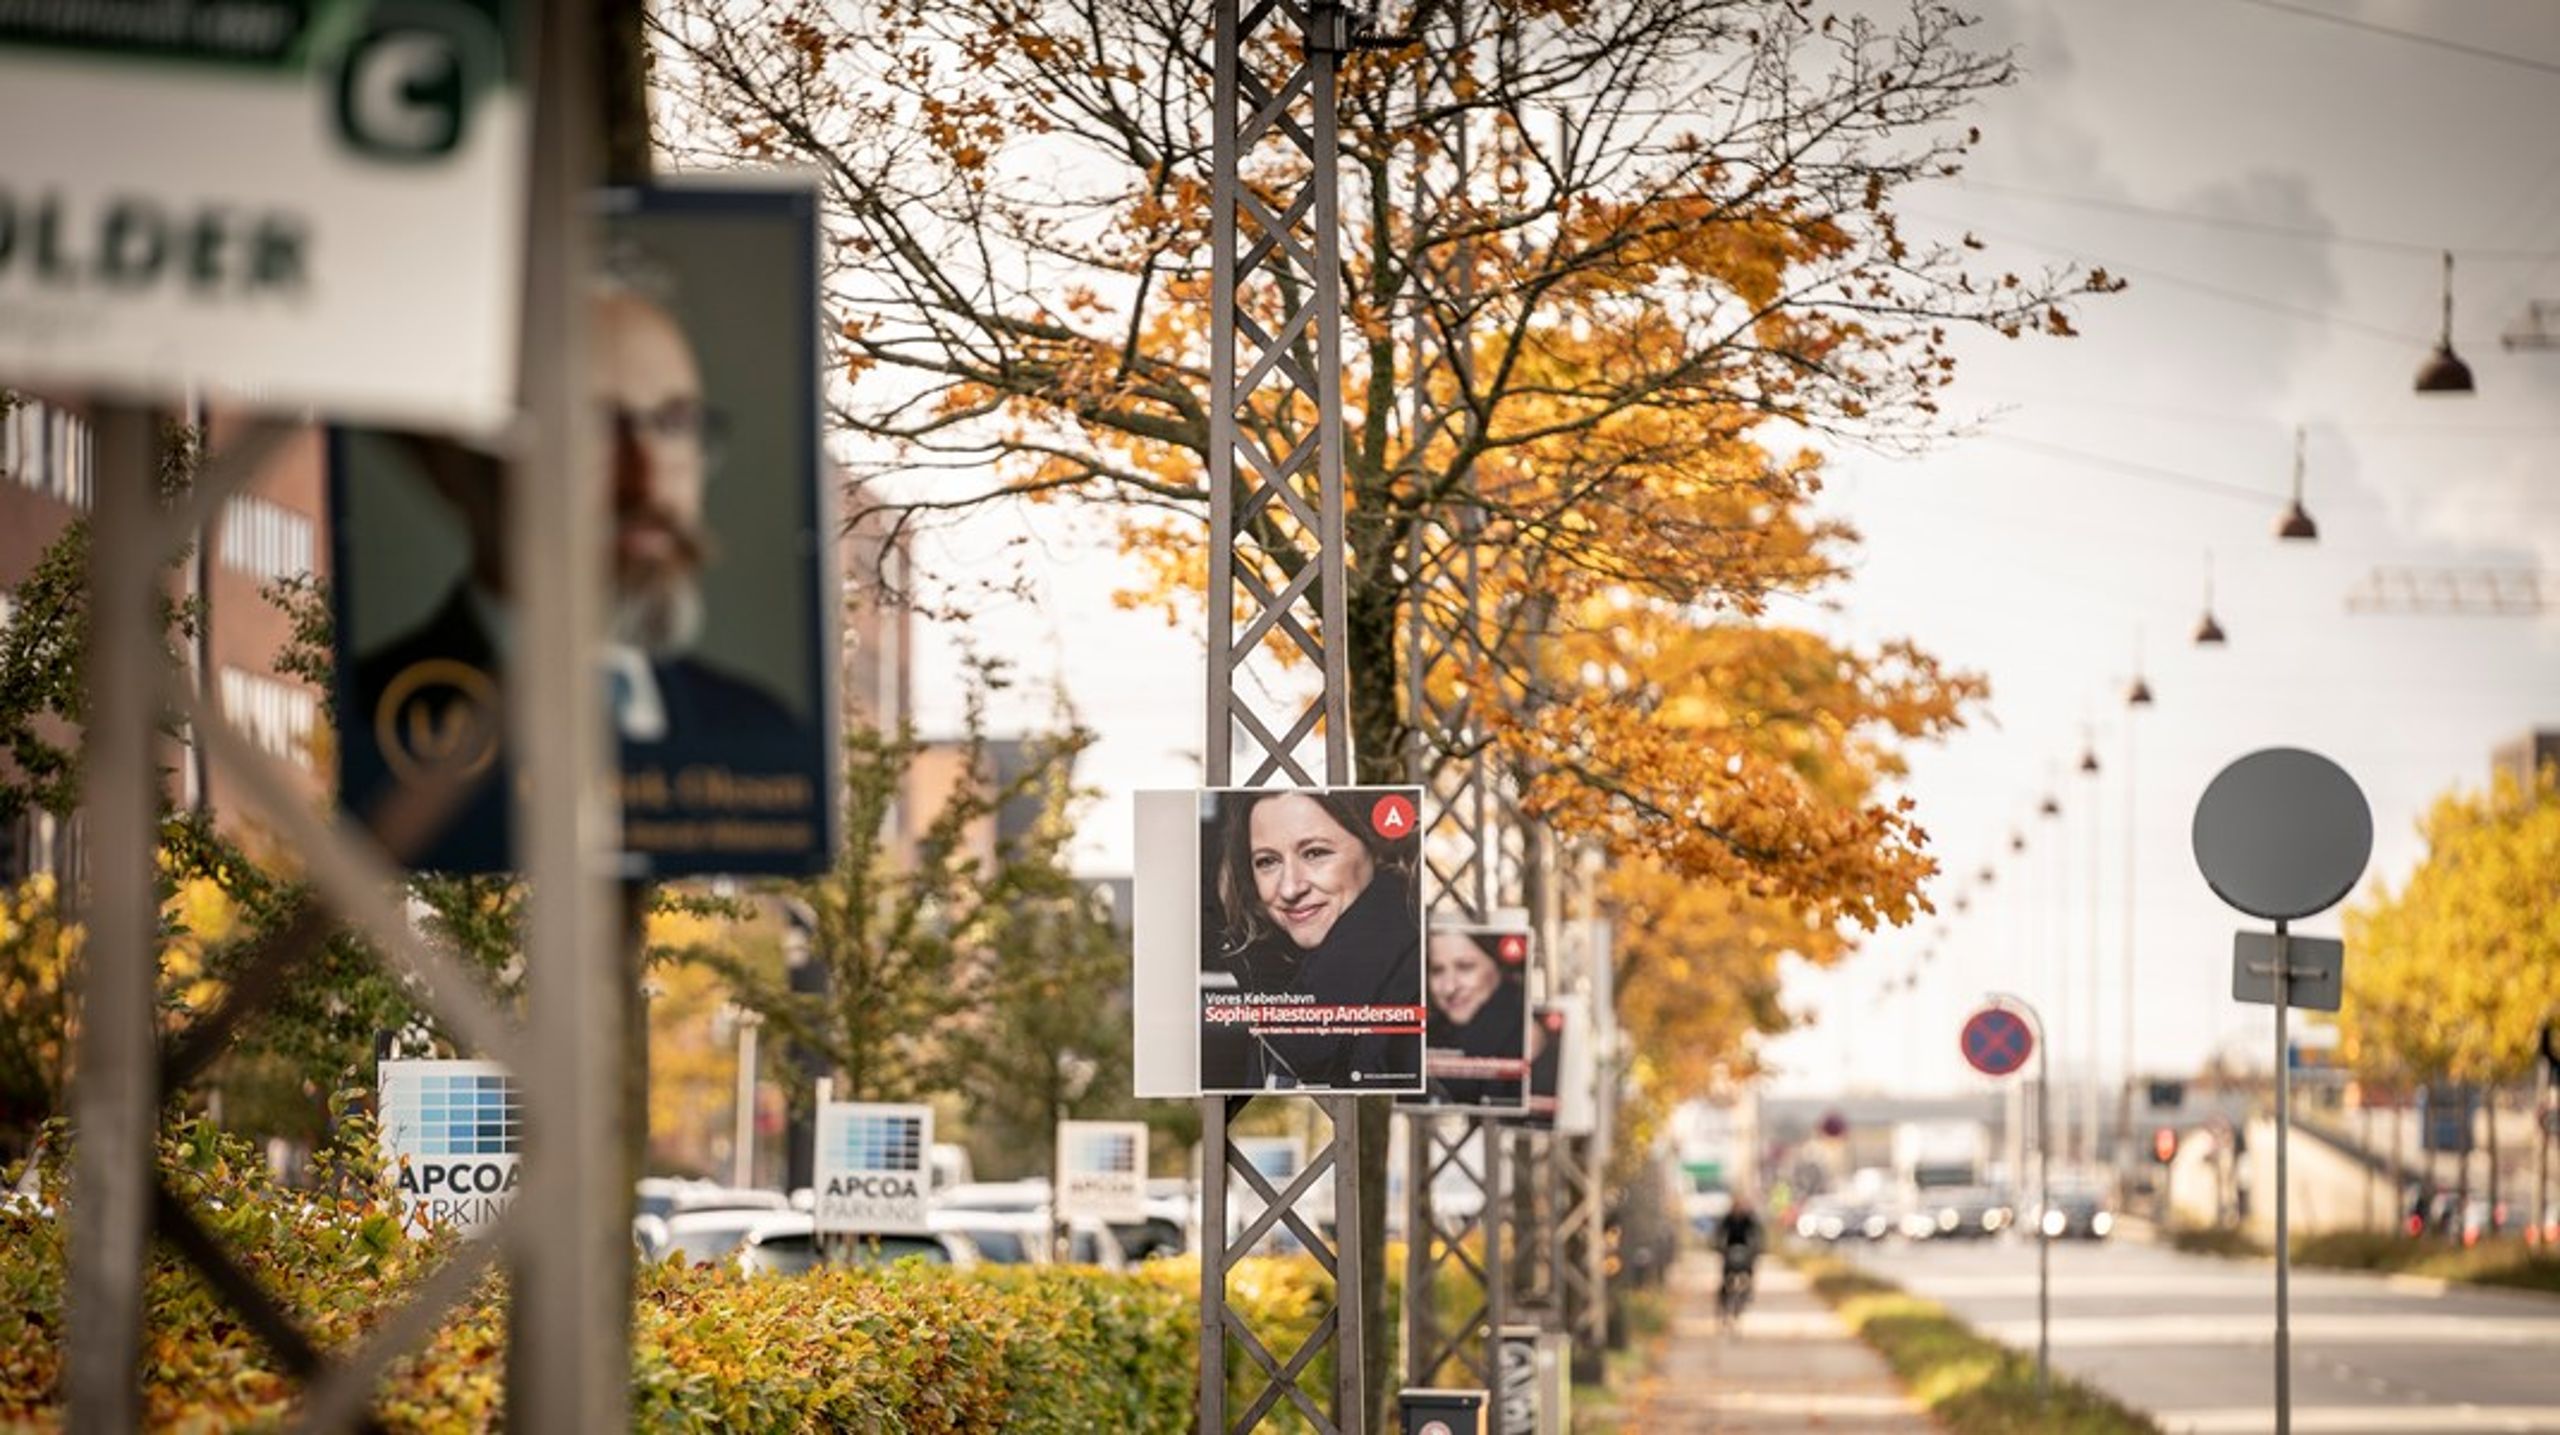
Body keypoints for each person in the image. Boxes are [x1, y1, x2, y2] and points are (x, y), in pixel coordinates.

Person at [343, 278, 802, 866]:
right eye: (591, 426)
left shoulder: (760, 731)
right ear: (459, 468)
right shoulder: (367, 721)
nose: (648, 480)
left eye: (674, 422)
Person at [1201, 789, 1423, 1091]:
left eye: (1315, 853)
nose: (1290, 887)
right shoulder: (1275, 986)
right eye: (1267, 861)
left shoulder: (1420, 985)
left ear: (1376, 849)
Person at [1421, 927, 1528, 1108]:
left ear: (1498, 967)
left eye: (1465, 967)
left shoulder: (1525, 1039)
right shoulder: (1421, 1041)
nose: (1449, 987)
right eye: (1437, 970)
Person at [1716, 1197, 1763, 1323]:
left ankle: (1747, 1292)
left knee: (1748, 1272)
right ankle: (1723, 1300)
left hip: (1745, 1252)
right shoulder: (1727, 1219)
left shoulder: (1748, 1219)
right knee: (1726, 1277)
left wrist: (1756, 1248)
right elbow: (1719, 1233)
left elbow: (1757, 1234)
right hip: (1729, 1251)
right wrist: (1720, 1247)